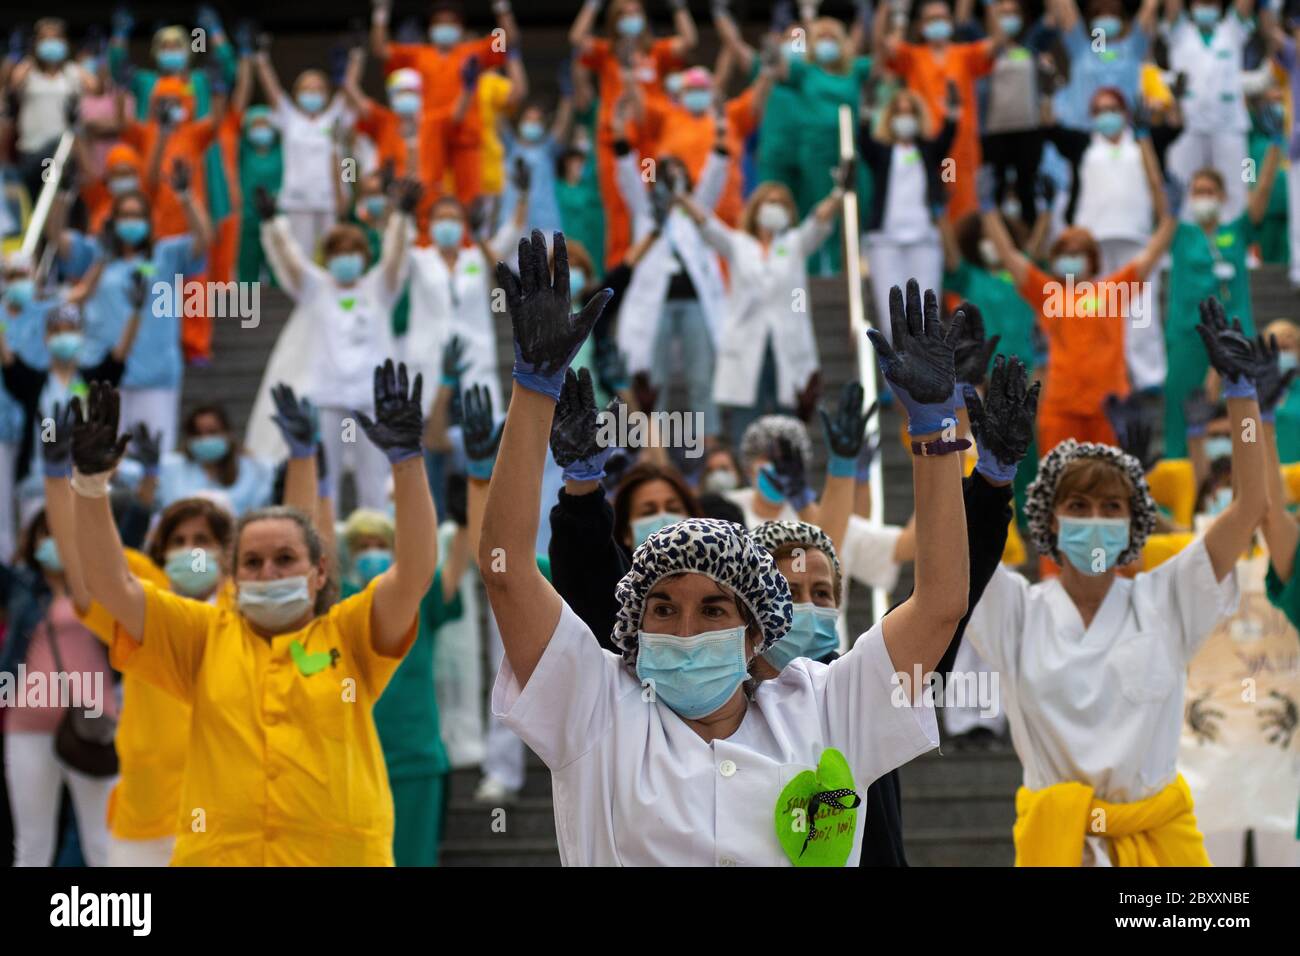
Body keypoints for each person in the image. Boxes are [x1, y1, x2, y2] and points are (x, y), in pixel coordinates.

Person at [479, 233, 967, 865]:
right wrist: (534, 389)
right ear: (633, 624)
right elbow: (507, 571)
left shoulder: (825, 705)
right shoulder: (595, 703)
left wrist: (934, 433)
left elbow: (940, 605)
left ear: (752, 636)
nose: (685, 629)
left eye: (713, 610)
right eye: (662, 608)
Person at [69, 359, 439, 867]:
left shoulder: (350, 634)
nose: (268, 572)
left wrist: (407, 461)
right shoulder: (202, 636)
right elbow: (111, 583)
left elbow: (415, 570)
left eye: (285, 559)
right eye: (252, 562)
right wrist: (90, 487)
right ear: (234, 578)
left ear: (318, 573)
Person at [967, 298, 1268, 866]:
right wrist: (957, 421)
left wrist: (1243, 399)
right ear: (1049, 522)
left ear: (1135, 525)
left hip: (1160, 849)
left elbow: (1251, 505)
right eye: (1078, 504)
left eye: (1111, 507)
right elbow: (959, 546)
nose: (1096, 520)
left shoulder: (1167, 597)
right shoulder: (1016, 610)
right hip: (1057, 847)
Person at [42, 405, 236, 866]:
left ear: (229, 557)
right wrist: (59, 478)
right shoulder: (145, 601)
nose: (191, 551)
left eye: (203, 540)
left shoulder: (250, 613)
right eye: (180, 541)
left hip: (230, 821)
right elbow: (82, 566)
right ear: (161, 552)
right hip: (144, 819)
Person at [247, 180, 417, 508]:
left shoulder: (378, 288)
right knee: (326, 482)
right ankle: (327, 547)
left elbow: (396, 258)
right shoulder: (316, 289)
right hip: (328, 397)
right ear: (327, 258)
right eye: (337, 253)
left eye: (352, 252)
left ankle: (378, 544)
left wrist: (402, 219)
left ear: (364, 256)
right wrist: (273, 225)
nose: (346, 259)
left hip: (372, 400)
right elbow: (290, 260)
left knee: (376, 484)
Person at [980, 179, 1174, 454]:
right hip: (1061, 406)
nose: (1071, 259)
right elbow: (1010, 258)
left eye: (1077, 254)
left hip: (1109, 405)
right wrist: (988, 212)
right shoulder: (1048, 293)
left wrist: (1170, 218)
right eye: (1065, 254)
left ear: (1092, 258)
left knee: (1107, 482)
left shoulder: (1112, 289)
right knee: (1058, 483)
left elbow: (1151, 256)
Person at [675, 163, 844, 449]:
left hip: (787, 345)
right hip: (746, 343)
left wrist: (839, 192)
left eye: (781, 204)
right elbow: (707, 224)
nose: (775, 208)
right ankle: (751, 482)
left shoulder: (794, 243)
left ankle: (789, 482)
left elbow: (818, 221)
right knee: (747, 425)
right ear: (756, 208)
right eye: (770, 202)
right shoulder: (739, 244)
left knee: (788, 426)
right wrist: (680, 197)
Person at [341, 505, 471, 866]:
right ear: (350, 554)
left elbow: (450, 579)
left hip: (416, 757)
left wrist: (462, 524)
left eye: (379, 543)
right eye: (362, 546)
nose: (371, 552)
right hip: (352, 761)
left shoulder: (417, 598)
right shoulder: (342, 603)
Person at [67, 177, 212, 453]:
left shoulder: (165, 255)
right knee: (102, 463)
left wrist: (186, 195)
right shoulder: (99, 256)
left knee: (153, 460)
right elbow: (63, 253)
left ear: (148, 220)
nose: (131, 222)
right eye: (125, 215)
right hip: (105, 374)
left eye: (137, 215)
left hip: (155, 376)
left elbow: (203, 239)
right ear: (114, 220)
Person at [1164, 122, 1284, 455]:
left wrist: (1273, 147)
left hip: (1233, 337)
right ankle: (1179, 490)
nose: (1203, 198)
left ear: (1223, 196)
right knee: (1182, 417)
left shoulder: (1237, 230)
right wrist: (1148, 142)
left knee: (1242, 417)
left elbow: (1258, 194)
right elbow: (1156, 194)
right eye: (1197, 192)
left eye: (1209, 192)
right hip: (1187, 337)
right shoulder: (1180, 233)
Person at [1049, 87, 1168, 393]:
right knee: (1097, 312)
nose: (1107, 115)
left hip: (1136, 235)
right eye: (1100, 110)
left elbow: (1156, 183)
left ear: (1125, 112)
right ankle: (1104, 376)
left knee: (1142, 312)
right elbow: (1048, 127)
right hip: (1094, 242)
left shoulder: (1140, 143)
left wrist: (1164, 221)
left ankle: (1148, 375)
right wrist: (1048, 94)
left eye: (1113, 108)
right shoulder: (1084, 146)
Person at [570, 0, 697, 269]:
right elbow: (577, 39)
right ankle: (618, 271)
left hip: (649, 140)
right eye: (623, 14)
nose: (631, 18)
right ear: (614, 21)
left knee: (653, 203)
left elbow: (688, 41)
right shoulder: (608, 53)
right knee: (617, 208)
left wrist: (678, 7)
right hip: (613, 140)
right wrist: (592, 5)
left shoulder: (656, 51)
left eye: (635, 12)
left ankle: (653, 265)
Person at [369, 0, 519, 206]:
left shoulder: (472, 51)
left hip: (465, 134)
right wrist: (380, 12)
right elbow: (381, 50)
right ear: (431, 28)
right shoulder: (419, 54)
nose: (445, 27)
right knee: (428, 192)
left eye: (451, 23)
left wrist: (501, 7)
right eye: (439, 22)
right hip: (433, 134)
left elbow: (508, 40)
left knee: (469, 201)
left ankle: (468, 239)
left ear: (460, 28)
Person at [878, 0, 1006, 219]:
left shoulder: (964, 54)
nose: (938, 23)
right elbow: (884, 46)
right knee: (929, 207)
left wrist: (991, 6)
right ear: (921, 26)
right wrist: (892, 9)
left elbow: (998, 44)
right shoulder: (914, 56)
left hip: (960, 149)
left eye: (943, 18)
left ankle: (959, 252)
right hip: (927, 148)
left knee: (963, 209)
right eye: (931, 19)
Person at [860, 87, 957, 344]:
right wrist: (866, 114)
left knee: (926, 319)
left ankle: (924, 379)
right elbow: (863, 143)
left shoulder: (927, 150)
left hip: (924, 240)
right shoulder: (882, 152)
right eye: (899, 112)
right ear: (890, 118)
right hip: (885, 241)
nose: (905, 118)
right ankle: (894, 380)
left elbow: (947, 138)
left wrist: (952, 112)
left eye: (910, 112)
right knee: (892, 319)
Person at [253, 37, 351, 258]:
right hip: (297, 200)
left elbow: (348, 92)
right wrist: (261, 59)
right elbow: (273, 91)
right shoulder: (290, 118)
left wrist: (355, 59)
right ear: (297, 94)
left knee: (333, 255)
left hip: (329, 199)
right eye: (307, 89)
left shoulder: (334, 117)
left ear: (326, 94)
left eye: (318, 89)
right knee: (300, 258)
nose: (312, 94)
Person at [1163, 0, 1256, 223]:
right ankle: (1183, 243)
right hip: (1187, 125)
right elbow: (1171, 6)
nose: (1206, 6)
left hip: (1230, 124)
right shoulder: (1180, 32)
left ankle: (1236, 246)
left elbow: (1245, 5)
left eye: (1211, 2)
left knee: (1238, 186)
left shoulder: (1232, 30)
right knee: (1180, 187)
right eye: (1200, 1)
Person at [159, 405, 273, 516]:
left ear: (227, 432)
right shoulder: (172, 466)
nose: (205, 439)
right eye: (198, 433)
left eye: (212, 432)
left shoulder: (255, 468)